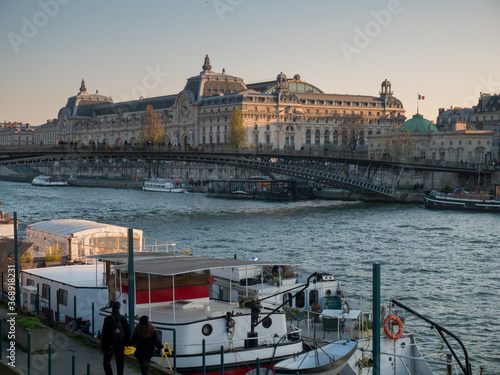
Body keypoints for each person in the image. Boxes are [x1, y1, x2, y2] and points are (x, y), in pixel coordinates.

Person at [101, 301, 130, 375]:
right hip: (120, 344)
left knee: (106, 361)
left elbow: (104, 333)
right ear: (119, 308)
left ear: (112, 308)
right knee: (120, 362)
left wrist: (103, 346)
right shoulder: (123, 318)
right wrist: (125, 342)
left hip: (110, 343)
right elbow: (128, 331)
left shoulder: (108, 319)